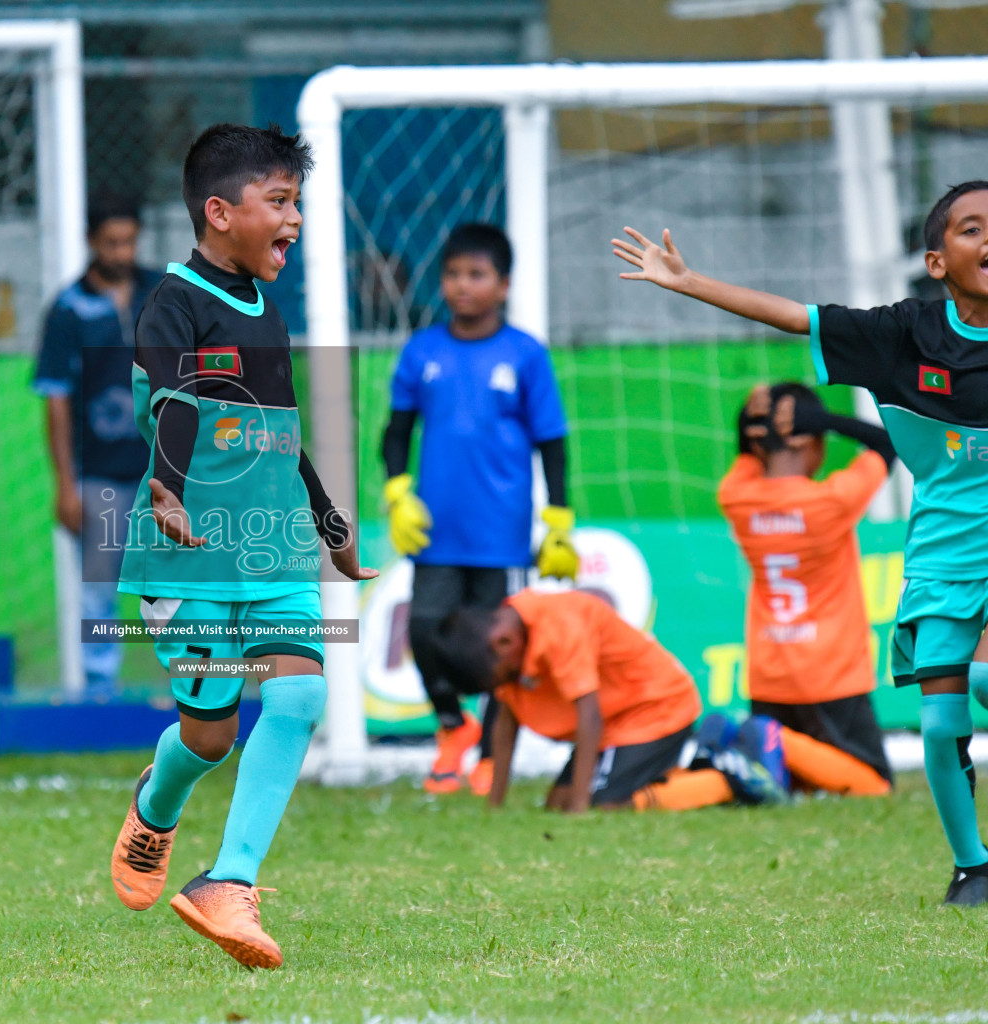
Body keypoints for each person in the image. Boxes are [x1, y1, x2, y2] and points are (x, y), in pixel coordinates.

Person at [612, 179, 988, 905]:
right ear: (936, 261)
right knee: (940, 724)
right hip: (943, 556)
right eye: (972, 228)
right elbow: (793, 316)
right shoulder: (901, 334)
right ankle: (972, 866)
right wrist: (689, 284)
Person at [107, 123, 377, 969]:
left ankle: (229, 882)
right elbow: (176, 403)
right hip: (185, 554)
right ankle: (157, 805)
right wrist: (170, 487)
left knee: (298, 699)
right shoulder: (172, 303)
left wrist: (328, 519)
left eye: (297, 203)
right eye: (280, 203)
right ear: (220, 212)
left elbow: (278, 432)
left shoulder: (270, 310)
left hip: (273, 552)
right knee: (209, 738)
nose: (294, 221)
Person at [380, 223, 575, 797]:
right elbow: (395, 434)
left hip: (502, 533)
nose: (463, 286)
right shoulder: (422, 351)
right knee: (422, 629)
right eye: (453, 274)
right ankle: (452, 727)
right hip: (435, 530)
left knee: (500, 649)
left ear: (504, 284)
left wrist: (559, 519)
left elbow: (554, 442)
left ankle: (492, 755)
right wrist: (397, 492)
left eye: (477, 274)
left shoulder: (525, 354)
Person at [713, 382, 897, 798]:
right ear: (811, 442)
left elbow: (746, 455)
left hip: (769, 677)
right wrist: (826, 420)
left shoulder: (737, 497)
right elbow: (887, 444)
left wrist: (749, 423)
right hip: (831, 677)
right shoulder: (830, 501)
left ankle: (756, 742)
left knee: (790, 782)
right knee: (875, 783)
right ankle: (771, 739)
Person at [459, 588, 782, 814]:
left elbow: (589, 715)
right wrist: (495, 804)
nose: (506, 685)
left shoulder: (560, 626)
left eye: (500, 679)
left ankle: (725, 780)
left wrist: (581, 807)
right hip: (616, 719)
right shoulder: (509, 639)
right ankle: (705, 762)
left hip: (657, 708)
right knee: (558, 801)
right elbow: (507, 717)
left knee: (608, 805)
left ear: (503, 642)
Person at [32, 199, 163, 699]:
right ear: (92, 242)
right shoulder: (68, 309)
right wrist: (65, 485)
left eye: (129, 241)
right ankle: (99, 691)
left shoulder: (162, 292)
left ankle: (186, 688)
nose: (122, 251)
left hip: (161, 470)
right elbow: (55, 400)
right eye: (112, 243)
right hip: (100, 474)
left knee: (172, 587)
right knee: (99, 589)